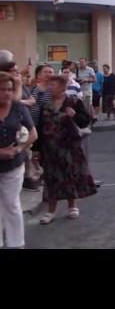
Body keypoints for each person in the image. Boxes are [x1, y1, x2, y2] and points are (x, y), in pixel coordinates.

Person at [37, 75, 97, 224]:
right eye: (49, 85)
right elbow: (39, 127)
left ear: (63, 88)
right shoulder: (46, 105)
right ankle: (51, 211)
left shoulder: (73, 102)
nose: (50, 88)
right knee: (51, 179)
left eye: (53, 85)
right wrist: (36, 149)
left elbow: (85, 121)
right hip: (50, 148)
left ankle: (72, 206)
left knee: (70, 175)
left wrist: (75, 115)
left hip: (70, 147)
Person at [0, 71, 38, 248]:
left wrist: (18, 149)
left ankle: (16, 244)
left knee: (11, 203)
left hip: (13, 164)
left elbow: (33, 134)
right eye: (1, 89)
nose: (6, 93)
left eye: (9, 89)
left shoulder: (18, 107)